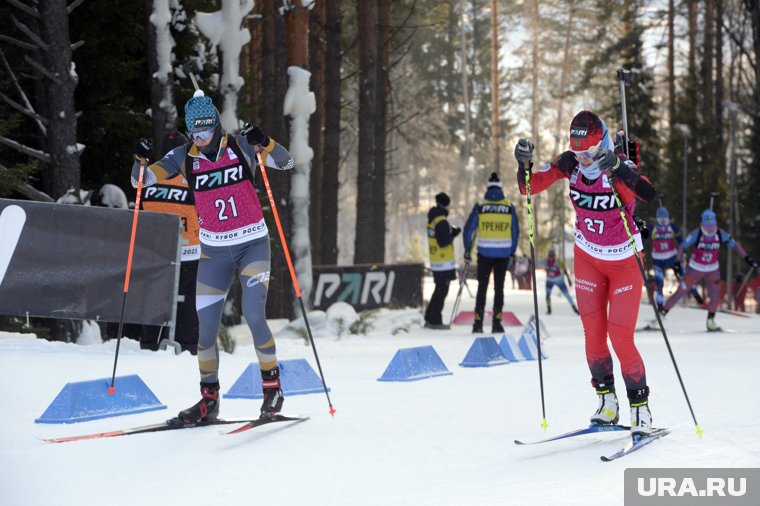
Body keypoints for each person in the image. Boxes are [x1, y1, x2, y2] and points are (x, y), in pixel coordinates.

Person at [131, 90, 295, 425]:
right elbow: (141, 182)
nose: (201, 138)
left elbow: (287, 162)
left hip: (252, 244)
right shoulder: (182, 157)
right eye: (195, 133)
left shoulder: (240, 145)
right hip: (214, 253)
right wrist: (139, 160)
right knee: (205, 332)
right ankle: (209, 400)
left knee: (253, 313)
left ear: (216, 125)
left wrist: (265, 142)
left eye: (206, 130)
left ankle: (272, 389)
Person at [514, 110, 657, 436]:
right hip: (588, 259)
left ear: (602, 143)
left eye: (590, 152)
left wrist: (620, 168)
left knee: (620, 336)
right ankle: (607, 403)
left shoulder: (618, 163)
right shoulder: (570, 163)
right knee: (593, 337)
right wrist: (524, 166)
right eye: (579, 152)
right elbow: (529, 188)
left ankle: (640, 409)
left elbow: (648, 193)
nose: (584, 158)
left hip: (624, 263)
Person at [139, 131, 200, 354]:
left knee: (155, 295)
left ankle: (150, 341)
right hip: (189, 250)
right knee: (190, 298)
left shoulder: (148, 179)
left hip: (157, 252)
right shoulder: (193, 179)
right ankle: (188, 344)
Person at [659, 209, 757, 330]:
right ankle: (660, 316)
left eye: (712, 225)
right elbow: (682, 246)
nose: (710, 228)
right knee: (680, 292)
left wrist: (748, 259)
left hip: (712, 269)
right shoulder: (697, 233)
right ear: (703, 224)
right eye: (707, 225)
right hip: (695, 268)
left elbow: (736, 245)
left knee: (715, 297)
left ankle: (710, 322)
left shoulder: (720, 233)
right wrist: (677, 262)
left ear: (715, 223)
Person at [462, 172, 519, 334]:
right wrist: (512, 252)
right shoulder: (509, 207)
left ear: (488, 188)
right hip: (503, 254)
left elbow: (468, 231)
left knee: (482, 288)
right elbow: (515, 232)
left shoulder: (480, 206)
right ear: (501, 188)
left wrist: (467, 250)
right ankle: (496, 323)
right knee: (499, 289)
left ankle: (478, 323)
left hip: (484, 254)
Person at [424, 192, 461, 329]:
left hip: (436, 261)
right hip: (443, 262)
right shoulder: (441, 221)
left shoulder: (433, 218)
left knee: (438, 290)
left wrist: (451, 232)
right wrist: (453, 235)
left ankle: (430, 317)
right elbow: (444, 242)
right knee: (442, 291)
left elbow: (440, 235)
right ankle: (435, 320)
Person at [538, 249, 578, 315]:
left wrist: (568, 279)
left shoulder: (557, 261)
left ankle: (574, 308)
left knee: (567, 294)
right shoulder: (545, 261)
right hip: (549, 280)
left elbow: (564, 269)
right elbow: (536, 264)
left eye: (552, 256)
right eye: (550, 256)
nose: (551, 258)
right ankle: (549, 309)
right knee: (548, 295)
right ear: (548, 256)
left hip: (558, 280)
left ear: (554, 256)